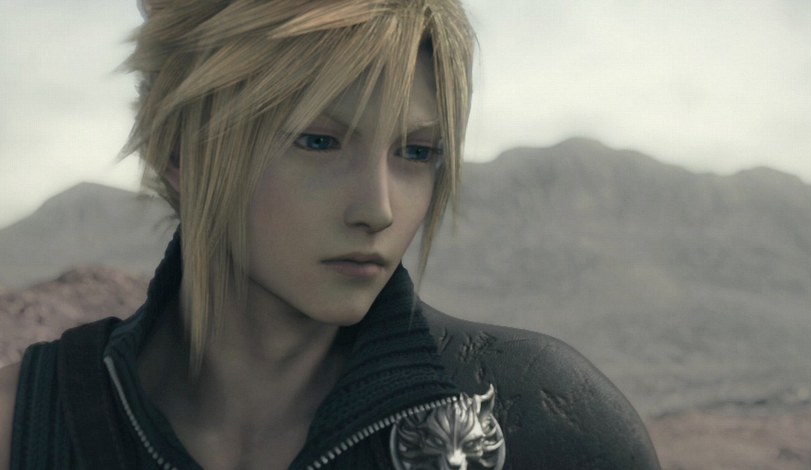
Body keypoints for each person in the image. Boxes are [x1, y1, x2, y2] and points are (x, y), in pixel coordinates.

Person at [0, 0, 659, 468]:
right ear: (181, 155)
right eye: (318, 141)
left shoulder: (545, 423)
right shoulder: (24, 424)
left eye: (416, 152)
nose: (377, 208)